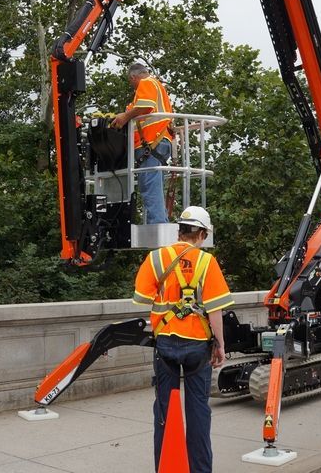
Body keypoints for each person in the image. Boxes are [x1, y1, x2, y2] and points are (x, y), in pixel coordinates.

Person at [132, 206, 234, 473]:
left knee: (164, 413)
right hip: (197, 346)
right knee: (199, 411)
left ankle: (165, 468)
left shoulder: (155, 259)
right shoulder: (206, 262)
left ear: (180, 231)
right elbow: (215, 310)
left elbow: (142, 299)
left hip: (164, 343)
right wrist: (220, 344)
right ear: (201, 233)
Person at [110, 62, 174, 224]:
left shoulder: (146, 83)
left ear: (133, 77)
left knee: (150, 188)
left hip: (151, 143)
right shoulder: (156, 87)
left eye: (131, 82)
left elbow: (145, 107)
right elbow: (138, 109)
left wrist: (125, 117)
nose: (132, 86)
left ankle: (158, 225)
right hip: (157, 143)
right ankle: (160, 223)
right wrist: (124, 116)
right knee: (154, 187)